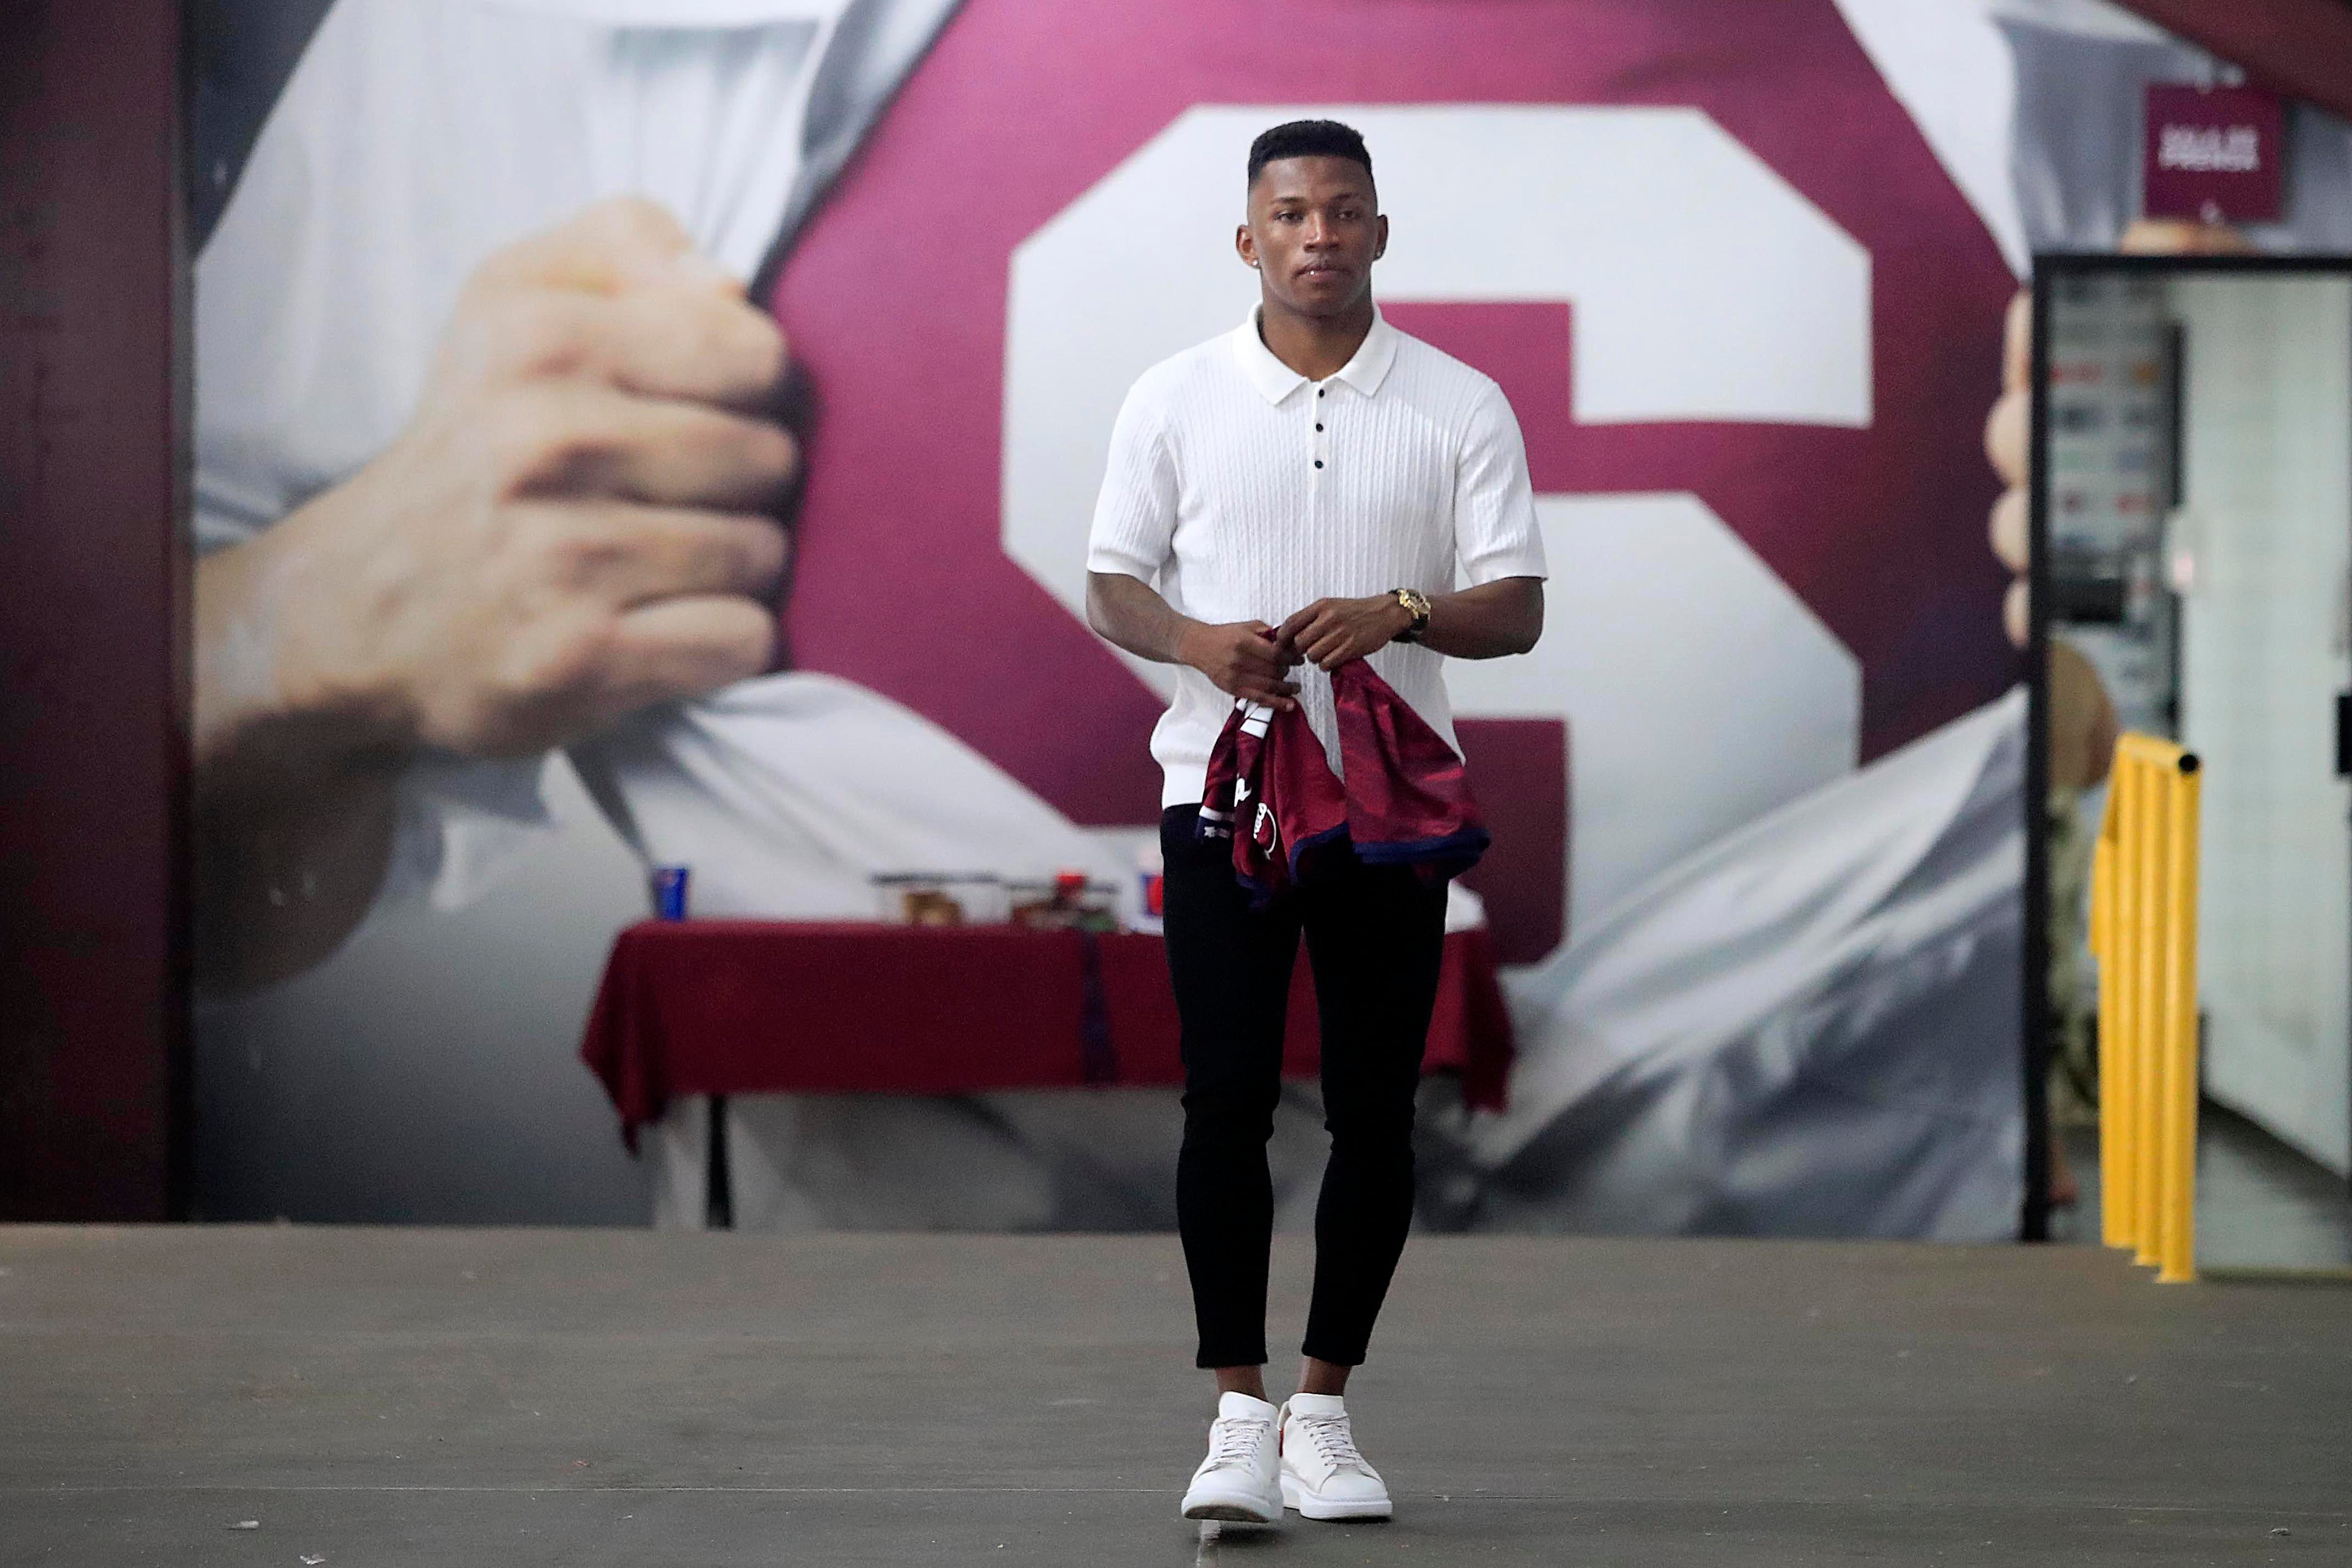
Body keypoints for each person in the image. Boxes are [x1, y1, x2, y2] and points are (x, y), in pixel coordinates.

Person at [1082, 120, 1546, 1525]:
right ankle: (1234, 1409)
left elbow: (1515, 608)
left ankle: (1323, 1408)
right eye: (1288, 214)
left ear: (1379, 234)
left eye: (1343, 212)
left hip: (1388, 813)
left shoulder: (1458, 403)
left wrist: (1401, 609)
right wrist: (1195, 639)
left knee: (1374, 1112)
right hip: (1214, 796)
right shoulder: (1172, 396)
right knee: (1222, 1099)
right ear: (1248, 240)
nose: (1317, 236)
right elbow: (1113, 584)